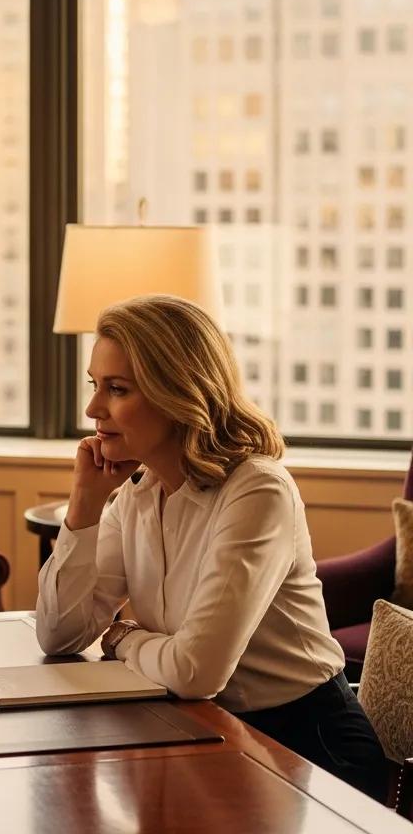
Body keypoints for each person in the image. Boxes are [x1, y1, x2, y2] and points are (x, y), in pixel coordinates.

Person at [37, 294, 388, 802]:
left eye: (117, 389)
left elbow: (195, 672)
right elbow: (59, 635)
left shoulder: (257, 491)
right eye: (95, 386)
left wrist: (122, 639)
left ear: (177, 393)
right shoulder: (136, 494)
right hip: (197, 726)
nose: (92, 409)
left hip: (309, 748)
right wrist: (84, 504)